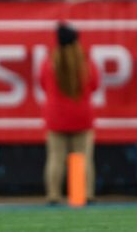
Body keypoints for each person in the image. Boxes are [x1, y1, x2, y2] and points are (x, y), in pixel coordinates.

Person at [39, 23, 99, 205]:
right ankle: (83, 195)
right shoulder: (85, 63)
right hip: (81, 116)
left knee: (55, 159)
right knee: (83, 158)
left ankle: (53, 195)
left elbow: (42, 84)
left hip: (56, 117)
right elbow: (95, 85)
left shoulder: (49, 63)